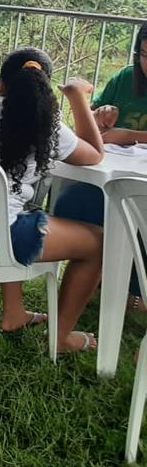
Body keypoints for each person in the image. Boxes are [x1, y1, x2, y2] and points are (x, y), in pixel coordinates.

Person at [0, 48, 105, 353]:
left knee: (16, 210)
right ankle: (61, 338)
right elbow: (95, 153)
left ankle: (14, 313)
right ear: (46, 90)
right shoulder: (45, 125)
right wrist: (77, 97)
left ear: (0, 84)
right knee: (98, 243)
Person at [53, 22, 147, 312]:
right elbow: (92, 122)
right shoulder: (126, 78)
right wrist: (100, 115)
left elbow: (123, 136)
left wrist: (129, 135)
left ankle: (133, 286)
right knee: (70, 203)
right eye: (144, 54)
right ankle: (97, 272)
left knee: (136, 217)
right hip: (113, 176)